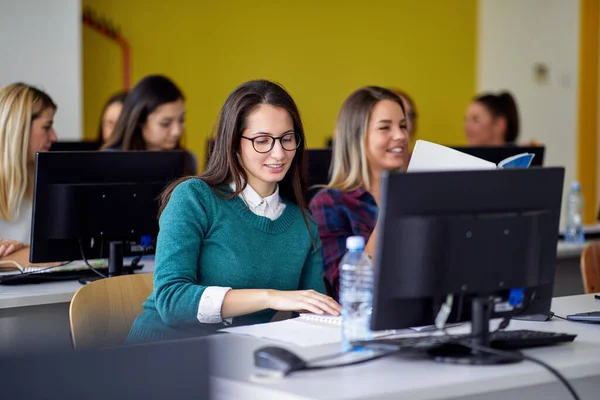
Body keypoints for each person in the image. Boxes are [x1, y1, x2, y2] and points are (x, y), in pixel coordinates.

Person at [127, 80, 340, 343]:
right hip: (162, 352)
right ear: (234, 145)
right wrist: (271, 296)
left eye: (287, 139)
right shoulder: (195, 198)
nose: (279, 152)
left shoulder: (303, 224)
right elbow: (172, 300)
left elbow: (312, 313)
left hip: (236, 356)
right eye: (262, 140)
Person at [309, 87, 410, 299]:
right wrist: (395, 205)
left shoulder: (420, 193)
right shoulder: (328, 203)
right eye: (385, 128)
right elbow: (347, 293)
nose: (400, 135)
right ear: (356, 136)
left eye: (403, 126)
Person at [0, 83, 57, 262]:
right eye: (46, 127)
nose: (54, 137)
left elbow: (60, 257)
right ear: (20, 128)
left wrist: (22, 251)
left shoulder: (45, 184)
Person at [101, 75, 197, 174]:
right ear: (139, 121)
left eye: (181, 120)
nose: (176, 131)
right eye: (165, 123)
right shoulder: (108, 161)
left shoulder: (187, 161)